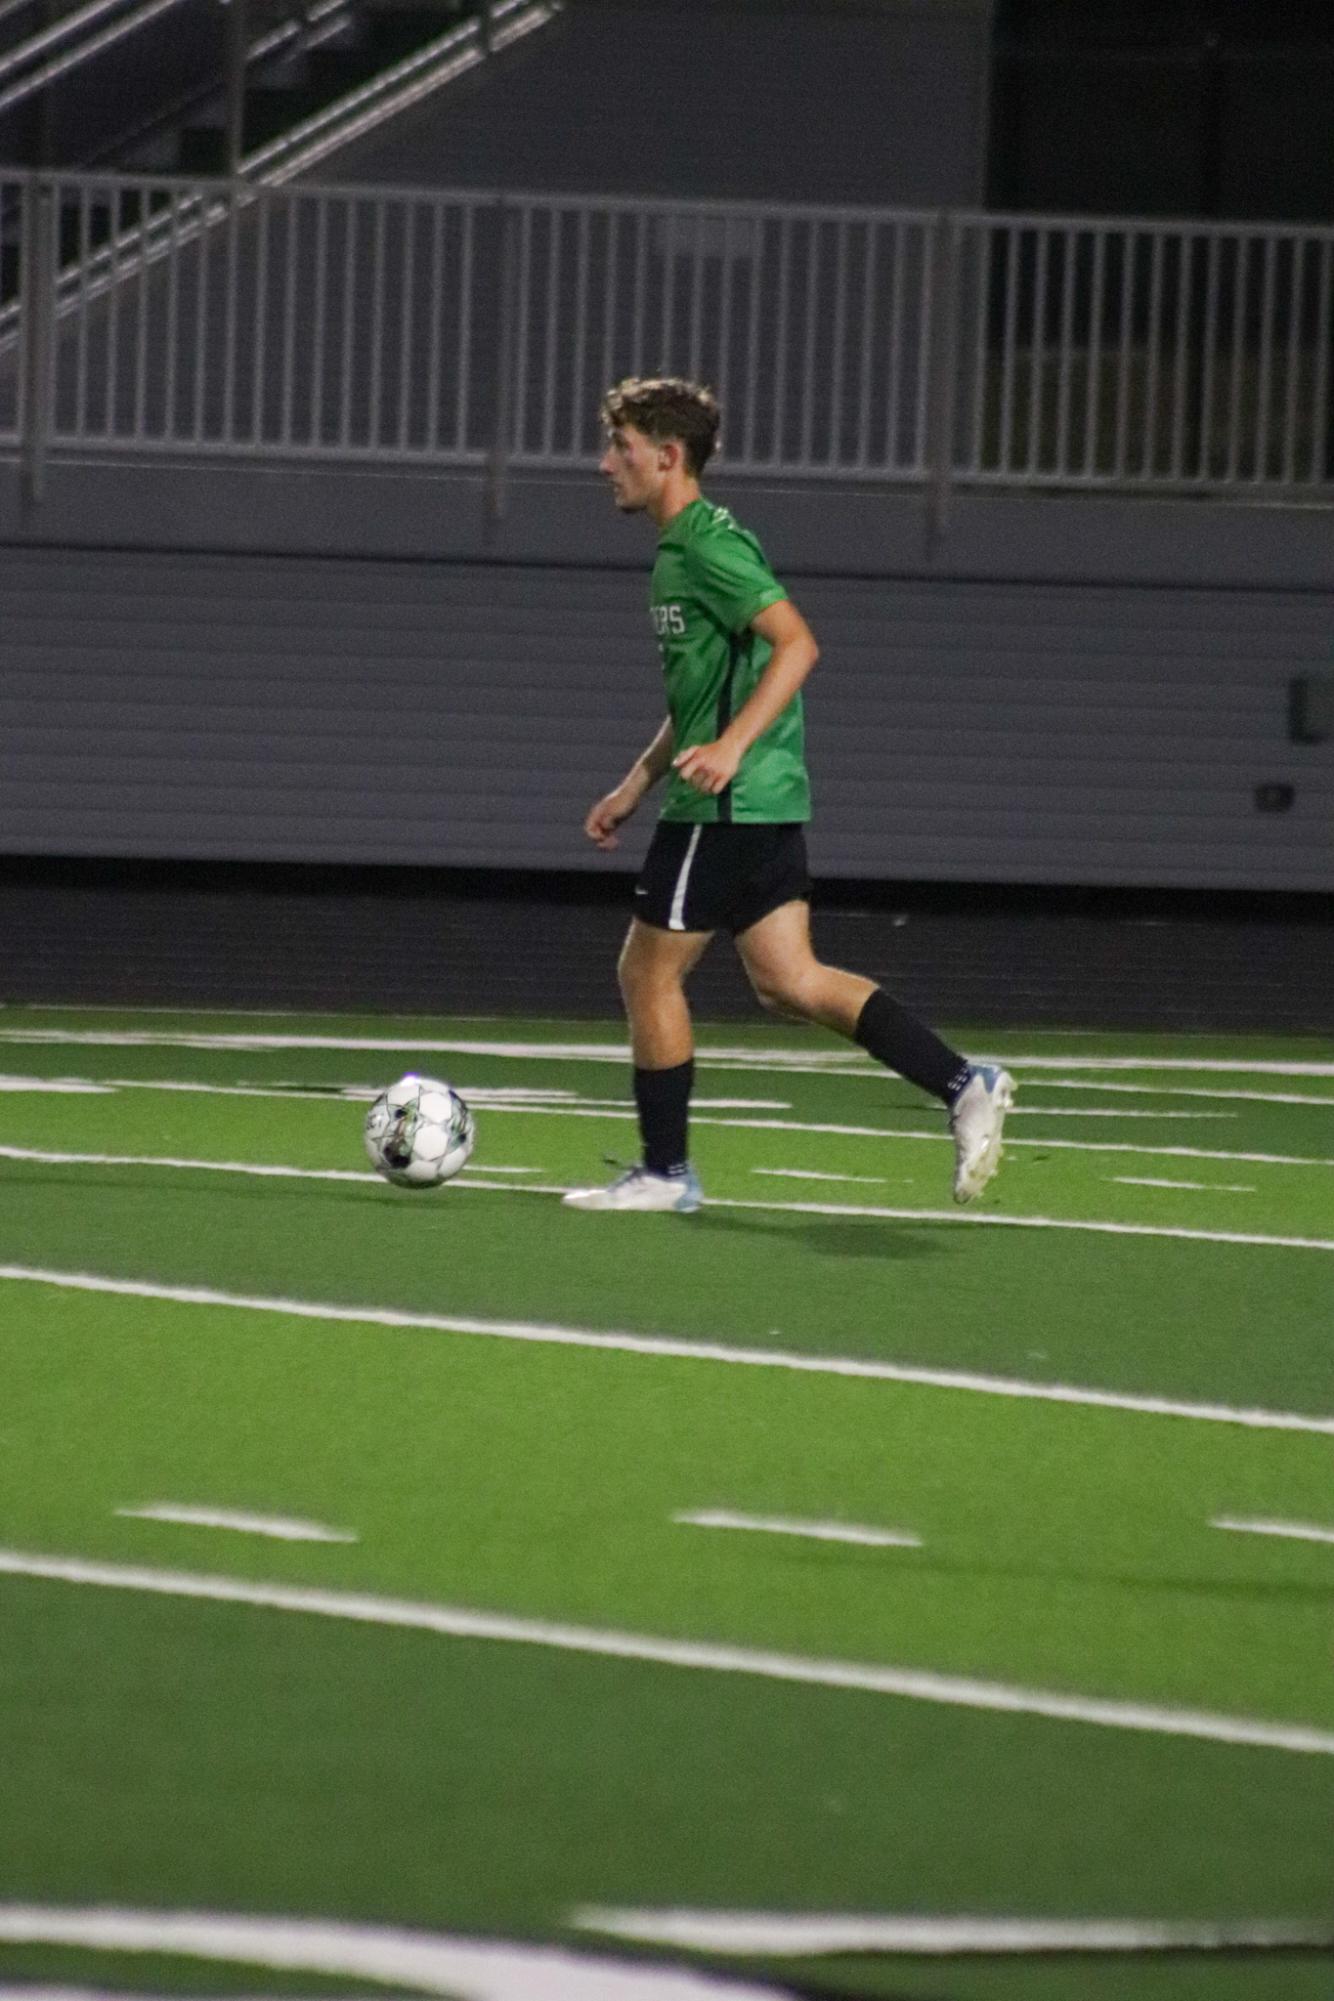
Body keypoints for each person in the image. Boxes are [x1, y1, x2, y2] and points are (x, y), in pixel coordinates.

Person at [563, 375, 1013, 1214]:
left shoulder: (705, 546)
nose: (604, 464)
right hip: (759, 799)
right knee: (789, 981)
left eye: (620, 448)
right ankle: (964, 1082)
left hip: (728, 805)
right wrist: (636, 782)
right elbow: (705, 695)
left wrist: (731, 750)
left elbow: (797, 645)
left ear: (667, 457)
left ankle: (666, 1173)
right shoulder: (688, 545)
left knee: (645, 973)